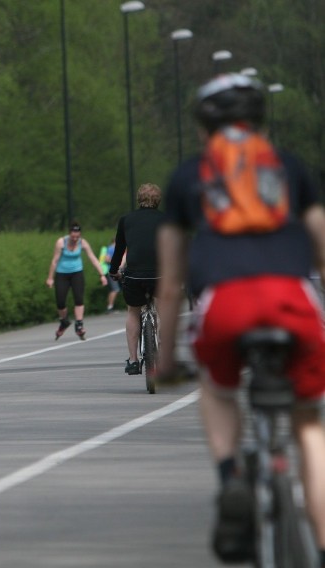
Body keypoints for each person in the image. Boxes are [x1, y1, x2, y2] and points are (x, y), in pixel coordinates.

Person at [156, 73, 325, 564]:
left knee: (216, 388)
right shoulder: (291, 169)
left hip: (224, 305)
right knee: (309, 427)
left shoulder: (189, 176)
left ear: (203, 123)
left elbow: (169, 285)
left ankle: (231, 476)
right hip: (292, 299)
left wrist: (164, 361)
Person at [108, 183, 164, 375]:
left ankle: (133, 360)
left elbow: (119, 250)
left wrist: (113, 270)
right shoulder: (167, 219)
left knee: (133, 312)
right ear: (158, 200)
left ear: (139, 199)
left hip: (134, 275)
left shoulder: (126, 220)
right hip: (160, 274)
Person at [45, 221, 107, 340]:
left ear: (80, 235)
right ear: (69, 234)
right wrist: (50, 278)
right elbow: (54, 261)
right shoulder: (61, 242)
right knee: (60, 301)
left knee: (78, 299)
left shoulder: (82, 243)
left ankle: (79, 325)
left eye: (77, 236)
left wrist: (102, 274)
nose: (75, 239)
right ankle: (64, 321)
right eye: (73, 236)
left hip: (77, 273)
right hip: (62, 274)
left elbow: (93, 258)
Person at [99, 238, 121, 313]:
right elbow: (107, 259)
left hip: (112, 271)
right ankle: (109, 307)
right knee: (115, 289)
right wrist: (116, 261)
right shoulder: (111, 248)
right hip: (111, 271)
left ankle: (110, 307)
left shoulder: (111, 248)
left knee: (113, 289)